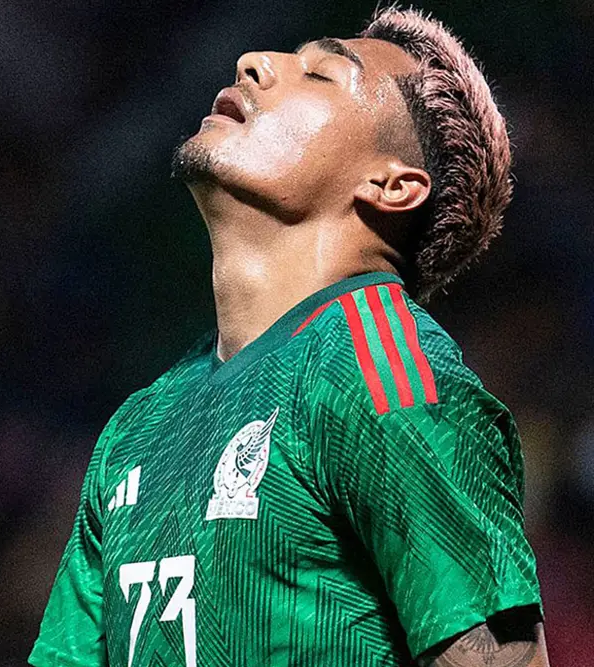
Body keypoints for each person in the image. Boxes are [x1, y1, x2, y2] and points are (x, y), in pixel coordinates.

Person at [30, 7, 547, 666]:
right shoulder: (138, 424)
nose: (255, 62)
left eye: (321, 74)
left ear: (390, 184)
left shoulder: (378, 367)